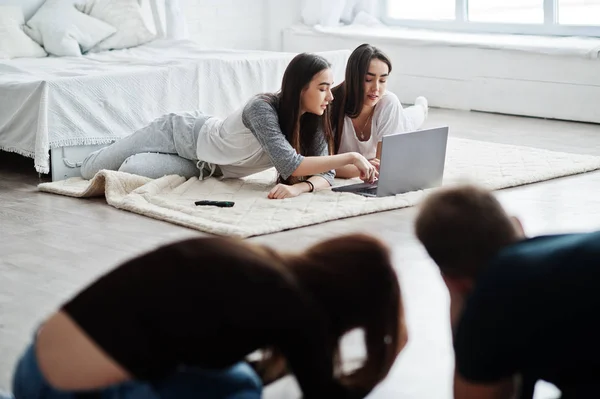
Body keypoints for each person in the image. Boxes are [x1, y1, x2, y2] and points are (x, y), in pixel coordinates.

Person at [11, 233, 408, 399]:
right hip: (61, 390)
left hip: (34, 364)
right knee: (242, 391)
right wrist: (390, 354)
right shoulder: (297, 308)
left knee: (241, 378)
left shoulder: (261, 264)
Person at [80, 53, 378, 199]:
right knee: (88, 170)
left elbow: (324, 171)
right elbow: (291, 163)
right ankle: (107, 144)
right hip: (179, 134)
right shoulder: (261, 109)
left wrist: (302, 190)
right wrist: (352, 157)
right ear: (301, 88)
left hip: (207, 168)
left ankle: (124, 148)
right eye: (323, 88)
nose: (331, 96)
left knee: (132, 167)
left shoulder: (312, 119)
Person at [414, 184, 600, 399]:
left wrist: (462, 313)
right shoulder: (555, 258)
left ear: (452, 281)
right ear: (518, 224)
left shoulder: (494, 296)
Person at [330, 44, 428, 179]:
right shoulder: (330, 104)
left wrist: (359, 167)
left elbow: (383, 166)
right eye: (368, 80)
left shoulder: (388, 102)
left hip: (400, 119)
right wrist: (366, 167)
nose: (376, 88)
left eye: (382, 80)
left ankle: (422, 107)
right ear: (353, 78)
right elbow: (323, 165)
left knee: (414, 117)